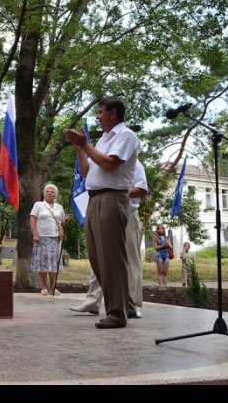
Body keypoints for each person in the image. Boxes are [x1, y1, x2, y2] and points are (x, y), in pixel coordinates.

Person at [65, 96, 140, 329]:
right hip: (95, 198)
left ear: (113, 113)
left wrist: (87, 145)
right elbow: (89, 172)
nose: (97, 116)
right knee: (98, 258)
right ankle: (126, 305)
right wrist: (80, 149)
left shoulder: (125, 135)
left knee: (112, 259)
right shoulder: (106, 139)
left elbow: (110, 164)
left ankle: (117, 314)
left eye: (101, 111)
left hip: (112, 198)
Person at [69, 160, 148, 317]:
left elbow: (142, 189)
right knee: (101, 258)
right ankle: (93, 301)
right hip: (105, 212)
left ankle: (132, 304)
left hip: (128, 213)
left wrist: (116, 192)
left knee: (130, 260)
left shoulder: (134, 164)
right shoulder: (102, 163)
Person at [30, 183, 68, 296]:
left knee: (54, 264)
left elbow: (63, 224)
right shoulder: (38, 205)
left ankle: (53, 287)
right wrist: (35, 234)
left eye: (52, 191)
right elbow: (32, 220)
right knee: (42, 263)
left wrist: (66, 220)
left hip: (55, 238)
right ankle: (43, 287)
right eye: (47, 191)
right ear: (44, 193)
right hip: (41, 238)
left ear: (55, 194)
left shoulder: (59, 207)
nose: (49, 193)